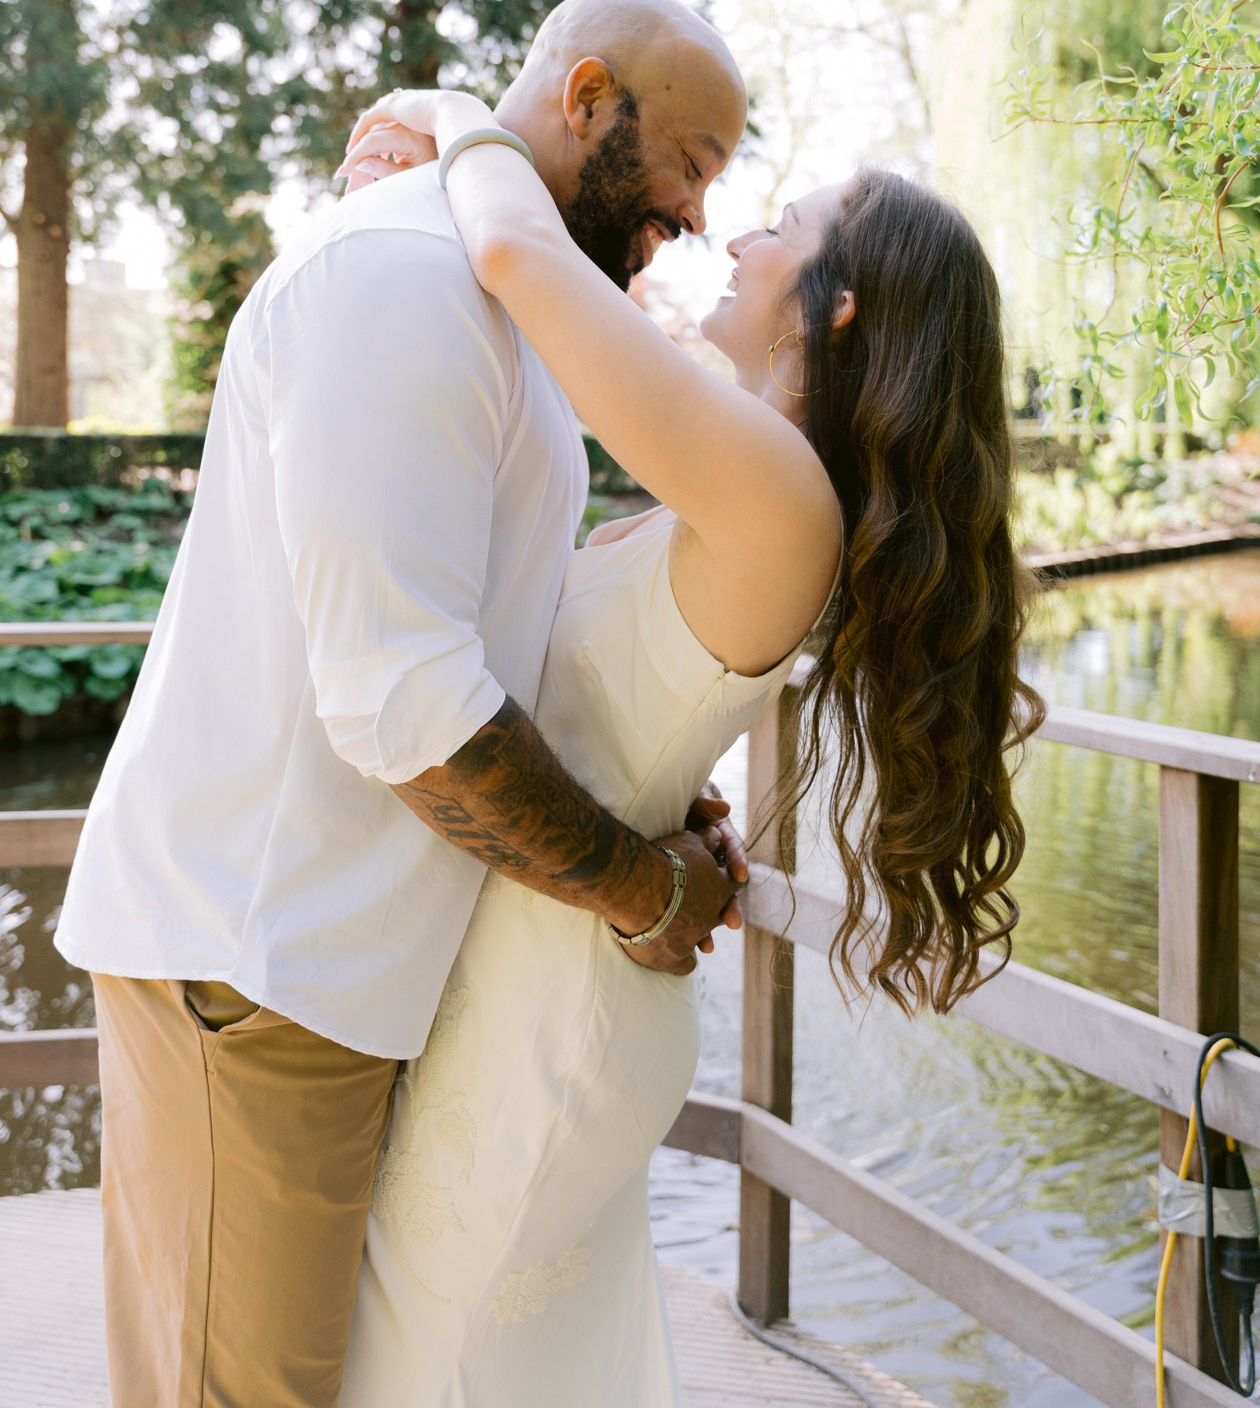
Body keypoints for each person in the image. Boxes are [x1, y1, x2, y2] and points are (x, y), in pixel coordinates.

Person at [53, 0, 750, 1408]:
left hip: (331, 973)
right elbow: (408, 703)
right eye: (690, 159)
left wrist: (646, 780)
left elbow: (479, 632)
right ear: (586, 99)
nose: (696, 214)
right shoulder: (400, 281)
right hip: (250, 970)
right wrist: (644, 888)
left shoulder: (496, 299)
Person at [334, 89, 1045, 1408]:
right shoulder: (759, 480)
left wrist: (453, 116)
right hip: (554, 955)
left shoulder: (776, 489)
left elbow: (514, 255)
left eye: (779, 224)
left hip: (553, 1000)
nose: (736, 242)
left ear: (834, 302)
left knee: (433, 1360)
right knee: (475, 1358)